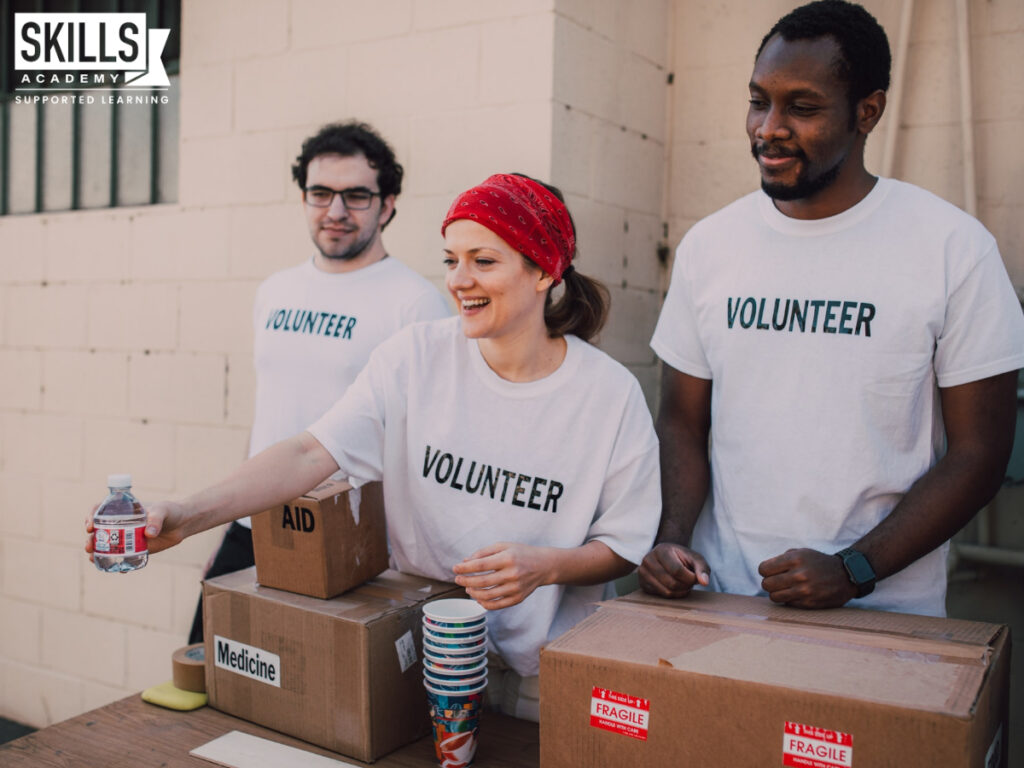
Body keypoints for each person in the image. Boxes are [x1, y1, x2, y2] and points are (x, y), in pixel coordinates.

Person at [91, 173, 661, 721]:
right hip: (418, 652)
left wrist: (548, 566)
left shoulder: (609, 394)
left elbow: (623, 544)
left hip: (544, 675)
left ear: (544, 272)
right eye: (451, 260)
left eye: (483, 261)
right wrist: (188, 515)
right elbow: (310, 454)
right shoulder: (414, 357)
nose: (459, 279)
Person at [639, 0, 1024, 616]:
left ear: (867, 111)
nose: (768, 127)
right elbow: (683, 421)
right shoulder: (710, 246)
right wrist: (671, 540)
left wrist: (853, 569)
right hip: (724, 599)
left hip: (884, 614)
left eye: (803, 107)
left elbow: (980, 455)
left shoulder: (953, 249)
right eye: (759, 100)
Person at [187, 121, 450, 644]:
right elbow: (272, 408)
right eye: (320, 193)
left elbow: (428, 438)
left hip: (349, 537)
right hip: (255, 519)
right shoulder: (275, 291)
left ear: (388, 204)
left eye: (356, 196)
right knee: (208, 663)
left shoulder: (416, 304)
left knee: (315, 693)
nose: (335, 211)